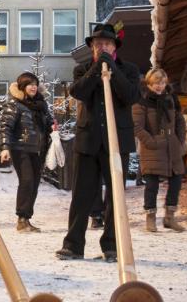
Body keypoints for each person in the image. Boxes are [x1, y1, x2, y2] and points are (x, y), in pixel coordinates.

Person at [57, 23, 140, 262]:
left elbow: (131, 95)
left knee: (115, 197)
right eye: (97, 44)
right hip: (88, 141)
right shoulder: (82, 69)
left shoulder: (129, 70)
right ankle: (73, 245)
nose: (101, 47)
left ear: (114, 47)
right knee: (82, 195)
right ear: (92, 48)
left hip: (117, 142)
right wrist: (97, 69)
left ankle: (112, 246)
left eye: (106, 44)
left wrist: (112, 68)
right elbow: (78, 92)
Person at [133, 68, 187, 233]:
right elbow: (137, 127)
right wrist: (152, 141)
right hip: (153, 148)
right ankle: (150, 218)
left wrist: (179, 140)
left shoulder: (171, 98)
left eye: (162, 82)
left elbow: (179, 119)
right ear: (149, 83)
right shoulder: (141, 101)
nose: (159, 86)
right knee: (152, 184)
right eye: (156, 83)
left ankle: (170, 217)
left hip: (172, 146)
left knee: (176, 180)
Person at [0, 72, 56, 233]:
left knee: (35, 183)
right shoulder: (15, 104)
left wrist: (52, 126)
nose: (33, 87)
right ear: (22, 87)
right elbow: (6, 126)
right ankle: (22, 219)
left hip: (37, 150)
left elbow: (48, 123)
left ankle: (26, 218)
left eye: (35, 84)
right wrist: (5, 147)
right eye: (29, 84)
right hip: (20, 148)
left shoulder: (41, 105)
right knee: (27, 181)